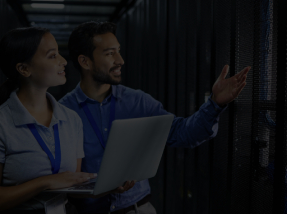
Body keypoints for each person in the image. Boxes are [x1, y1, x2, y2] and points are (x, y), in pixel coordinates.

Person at [58, 21, 251, 214]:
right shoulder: (63, 112)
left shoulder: (138, 101)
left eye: (118, 51)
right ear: (85, 62)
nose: (120, 60)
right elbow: (61, 176)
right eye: (110, 53)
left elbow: (183, 133)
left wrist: (215, 103)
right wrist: (97, 187)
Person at [0, 27, 97, 214]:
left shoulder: (72, 119)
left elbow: (70, 186)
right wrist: (44, 182)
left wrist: (106, 186)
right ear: (24, 69)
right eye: (52, 56)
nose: (63, 62)